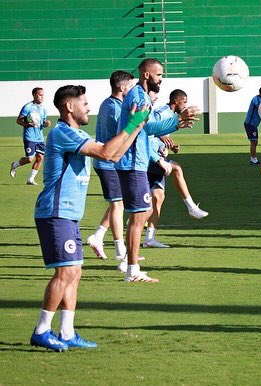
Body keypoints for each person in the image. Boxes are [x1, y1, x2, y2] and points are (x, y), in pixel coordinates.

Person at [30, 85, 148, 351]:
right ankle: (41, 330)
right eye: (84, 103)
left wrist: (136, 127)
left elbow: (114, 154)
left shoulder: (77, 133)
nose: (89, 108)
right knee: (66, 272)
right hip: (55, 213)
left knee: (75, 273)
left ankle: (67, 332)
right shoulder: (63, 133)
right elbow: (106, 152)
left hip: (69, 215)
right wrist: (132, 123)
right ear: (69, 107)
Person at [114, 58, 199, 283]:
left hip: (137, 161)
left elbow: (149, 126)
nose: (161, 79)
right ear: (146, 75)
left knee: (139, 214)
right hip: (133, 161)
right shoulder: (139, 96)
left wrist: (175, 124)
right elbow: (148, 125)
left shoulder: (139, 95)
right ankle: (131, 268)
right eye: (159, 74)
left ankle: (130, 264)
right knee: (138, 216)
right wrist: (177, 120)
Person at [142, 89, 209, 250]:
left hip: (158, 156)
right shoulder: (160, 112)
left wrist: (169, 146)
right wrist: (161, 139)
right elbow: (149, 131)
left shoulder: (170, 115)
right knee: (177, 169)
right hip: (150, 158)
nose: (185, 105)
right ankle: (191, 207)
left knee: (158, 198)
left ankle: (149, 238)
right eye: (184, 102)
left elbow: (161, 135)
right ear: (177, 101)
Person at [85, 71, 134, 262]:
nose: (132, 90)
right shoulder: (114, 108)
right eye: (130, 86)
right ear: (122, 87)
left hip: (110, 162)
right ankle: (120, 251)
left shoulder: (111, 104)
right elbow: (119, 137)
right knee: (118, 204)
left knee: (119, 203)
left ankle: (98, 236)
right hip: (108, 162)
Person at [10, 87, 51, 185]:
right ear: (34, 95)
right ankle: (14, 165)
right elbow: (18, 120)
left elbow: (43, 122)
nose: (42, 97)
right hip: (29, 137)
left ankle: (30, 179)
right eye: (40, 95)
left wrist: (46, 123)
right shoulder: (27, 107)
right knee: (29, 159)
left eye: (43, 95)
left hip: (39, 137)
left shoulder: (43, 109)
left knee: (40, 157)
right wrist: (27, 124)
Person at [244, 86, 261, 165]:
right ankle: (253, 159)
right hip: (250, 124)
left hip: (254, 125)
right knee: (253, 141)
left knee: (255, 141)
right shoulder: (256, 99)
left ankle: (253, 158)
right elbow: (260, 108)